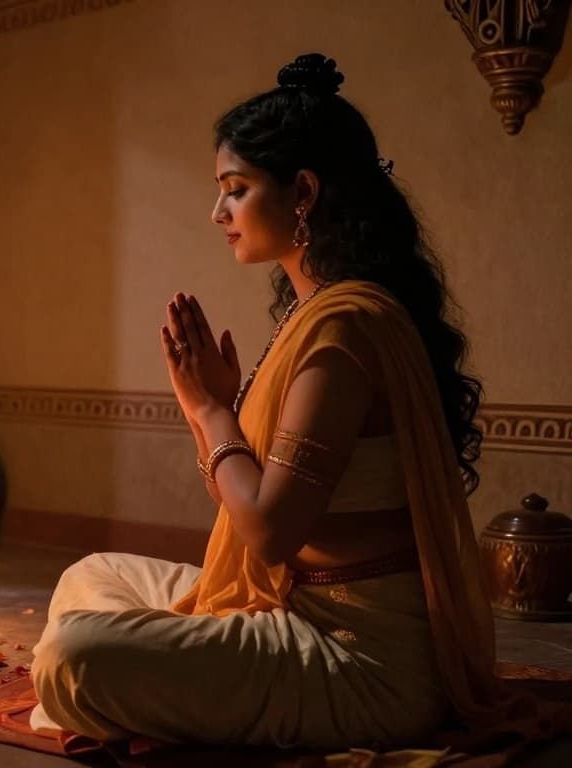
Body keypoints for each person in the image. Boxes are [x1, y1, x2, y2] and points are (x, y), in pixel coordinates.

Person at [30, 53, 524, 750]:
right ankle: (178, 668)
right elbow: (255, 506)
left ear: (303, 194)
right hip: (291, 605)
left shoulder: (344, 328)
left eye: (235, 189)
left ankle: (161, 675)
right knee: (92, 575)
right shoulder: (315, 314)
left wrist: (209, 412)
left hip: (360, 660)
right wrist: (216, 408)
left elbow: (268, 532)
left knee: (72, 656)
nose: (218, 213)